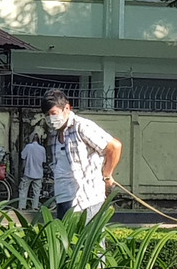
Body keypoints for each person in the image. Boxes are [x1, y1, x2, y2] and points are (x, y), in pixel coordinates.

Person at [41, 89, 123, 221]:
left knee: (89, 240)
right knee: (66, 240)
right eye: (46, 115)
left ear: (67, 108)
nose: (50, 119)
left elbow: (114, 146)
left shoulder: (82, 127)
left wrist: (107, 175)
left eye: (53, 113)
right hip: (63, 197)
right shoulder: (53, 133)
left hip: (87, 198)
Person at [18, 134, 46, 210]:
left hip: (28, 172)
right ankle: (35, 207)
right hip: (39, 173)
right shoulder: (42, 149)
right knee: (36, 192)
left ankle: (21, 206)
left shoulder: (28, 147)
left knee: (23, 190)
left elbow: (22, 156)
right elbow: (44, 161)